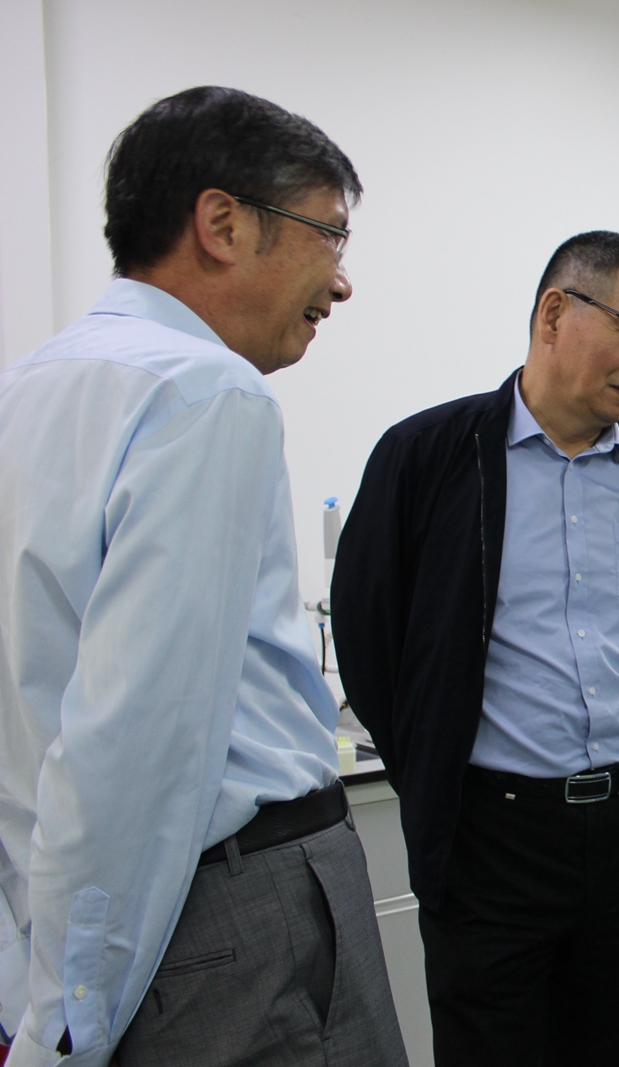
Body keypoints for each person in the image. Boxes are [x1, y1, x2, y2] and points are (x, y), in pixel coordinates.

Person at [0, 87, 405, 1067]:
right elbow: (137, 735)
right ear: (222, 223)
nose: (342, 282)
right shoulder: (204, 390)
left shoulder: (29, 386)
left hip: (73, 914)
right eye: (328, 236)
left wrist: (38, 982)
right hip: (229, 909)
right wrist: (68, 1021)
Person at [332, 231, 619, 1067]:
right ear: (554, 313)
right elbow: (368, 637)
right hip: (493, 838)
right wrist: (436, 772)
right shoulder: (428, 455)